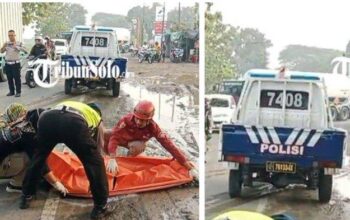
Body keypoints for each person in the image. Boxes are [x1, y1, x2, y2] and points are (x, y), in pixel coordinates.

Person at [20, 101, 114, 220]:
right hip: (72, 123)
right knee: (94, 162)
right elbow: (98, 146)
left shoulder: (75, 105)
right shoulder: (96, 117)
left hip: (48, 118)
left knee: (38, 158)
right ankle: (101, 207)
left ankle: (26, 196)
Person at [105, 100, 195, 175]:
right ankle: (108, 159)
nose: (139, 122)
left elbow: (169, 144)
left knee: (137, 147)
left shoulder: (154, 128)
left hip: (134, 144)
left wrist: (186, 164)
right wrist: (112, 157)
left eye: (142, 120)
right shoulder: (125, 120)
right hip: (122, 139)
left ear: (149, 119)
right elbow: (115, 137)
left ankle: (128, 163)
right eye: (137, 118)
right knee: (105, 134)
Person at [0, 103, 67, 194]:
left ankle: (9, 171)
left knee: (24, 150)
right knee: (30, 157)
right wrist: (56, 183)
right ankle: (16, 184)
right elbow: (39, 161)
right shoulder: (27, 134)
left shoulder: (14, 123)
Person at [0, 30, 28, 97]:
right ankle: (11, 91)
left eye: (12, 35)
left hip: (15, 64)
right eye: (9, 35)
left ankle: (18, 92)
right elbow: (1, 51)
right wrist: (3, 46)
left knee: (17, 78)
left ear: (15, 35)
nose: (11, 37)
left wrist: (17, 47)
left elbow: (26, 50)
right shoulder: (6, 43)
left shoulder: (19, 43)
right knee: (9, 78)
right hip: (8, 64)